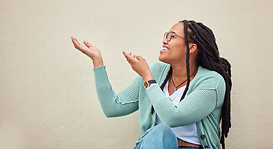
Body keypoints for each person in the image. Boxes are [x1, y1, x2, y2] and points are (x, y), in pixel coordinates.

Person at [71, 20, 232, 149]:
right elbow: (113, 108)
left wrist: (147, 77)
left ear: (191, 47)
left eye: (172, 37)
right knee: (160, 133)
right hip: (154, 145)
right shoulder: (156, 72)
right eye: (165, 35)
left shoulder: (212, 81)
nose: (164, 40)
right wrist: (97, 61)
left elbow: (173, 117)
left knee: (162, 130)